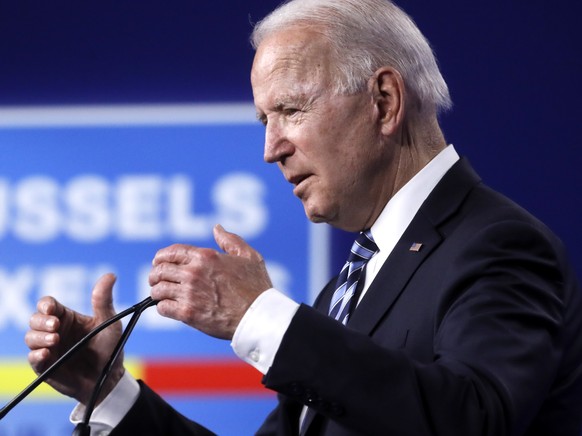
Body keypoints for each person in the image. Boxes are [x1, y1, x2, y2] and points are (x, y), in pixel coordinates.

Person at [25, 0, 582, 435]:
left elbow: (475, 419)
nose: (271, 148)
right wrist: (110, 391)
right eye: (265, 119)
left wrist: (259, 314)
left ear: (384, 101)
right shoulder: (345, 292)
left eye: (290, 110)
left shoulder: (499, 244)